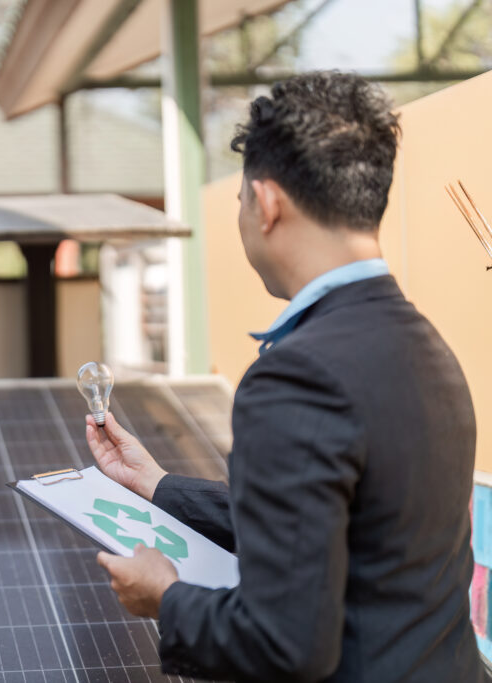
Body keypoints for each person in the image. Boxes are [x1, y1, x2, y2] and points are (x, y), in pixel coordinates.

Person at [87, 71, 486, 682]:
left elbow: (287, 643)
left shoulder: (297, 373)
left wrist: (166, 598)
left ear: (267, 202)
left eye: (241, 199)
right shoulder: (425, 345)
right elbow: (349, 530)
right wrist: (159, 486)